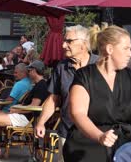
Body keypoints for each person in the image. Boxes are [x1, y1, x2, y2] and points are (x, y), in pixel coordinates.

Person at [63, 25, 131, 161]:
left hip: (125, 150)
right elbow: (78, 114)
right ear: (109, 49)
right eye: (126, 48)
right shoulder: (84, 76)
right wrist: (99, 136)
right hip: (87, 147)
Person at [34, 25, 98, 162]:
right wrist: (41, 122)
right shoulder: (61, 67)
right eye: (64, 41)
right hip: (67, 132)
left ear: (83, 44)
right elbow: (53, 99)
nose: (63, 45)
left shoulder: (99, 65)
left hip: (96, 133)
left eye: (69, 41)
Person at [0, 60, 49, 158]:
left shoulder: (41, 86)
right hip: (24, 117)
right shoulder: (39, 85)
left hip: (27, 119)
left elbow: (33, 107)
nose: (28, 72)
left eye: (30, 70)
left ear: (35, 71)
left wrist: (16, 110)